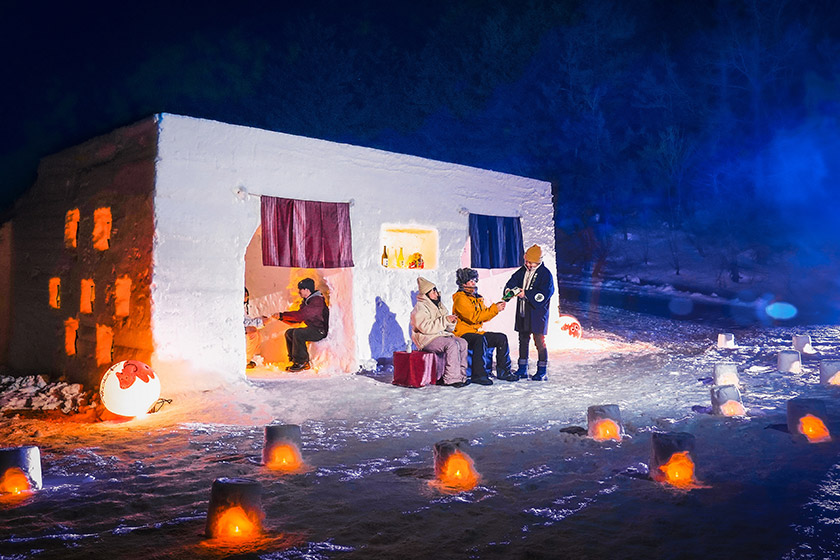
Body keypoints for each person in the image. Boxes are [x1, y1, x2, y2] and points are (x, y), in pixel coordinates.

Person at [451, 268, 518, 384]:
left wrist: (496, 308)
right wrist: (494, 309)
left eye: (474, 281)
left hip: (477, 332)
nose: (474, 283)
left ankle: (504, 371)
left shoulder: (477, 298)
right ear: (463, 283)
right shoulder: (460, 299)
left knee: (501, 338)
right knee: (480, 339)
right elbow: (474, 317)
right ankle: (479, 375)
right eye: (471, 281)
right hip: (463, 333)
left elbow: (483, 315)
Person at [504, 244, 555, 381]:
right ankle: (522, 369)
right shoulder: (522, 271)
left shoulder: (545, 274)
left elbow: (545, 293)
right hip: (523, 311)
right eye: (526, 261)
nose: (528, 264)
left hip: (537, 313)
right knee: (523, 339)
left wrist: (526, 293)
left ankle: (542, 370)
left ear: (538, 261)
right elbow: (512, 282)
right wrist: (509, 292)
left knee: (539, 341)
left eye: (531, 262)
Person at [410, 277, 470, 388]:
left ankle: (461, 376)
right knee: (451, 345)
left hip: (439, 336)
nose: (436, 293)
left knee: (462, 342)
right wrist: (444, 320)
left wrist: (451, 322)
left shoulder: (438, 305)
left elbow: (448, 328)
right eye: (432, 291)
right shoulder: (420, 308)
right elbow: (425, 327)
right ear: (426, 294)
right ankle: (451, 379)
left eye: (435, 290)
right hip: (426, 339)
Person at [273, 278, 329, 372]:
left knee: (298, 333)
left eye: (300, 289)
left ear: (307, 290)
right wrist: (281, 318)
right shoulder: (307, 301)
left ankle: (302, 362)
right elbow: (298, 320)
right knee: (290, 333)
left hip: (320, 330)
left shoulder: (316, 301)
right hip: (313, 328)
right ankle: (294, 360)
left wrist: (283, 315)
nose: (299, 292)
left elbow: (301, 315)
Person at [244, 287, 267, 369]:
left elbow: (247, 320)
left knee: (257, 334)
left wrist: (260, 320)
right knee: (252, 334)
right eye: (244, 295)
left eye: (246, 295)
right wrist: (260, 322)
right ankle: (244, 360)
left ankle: (247, 358)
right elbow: (244, 322)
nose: (245, 298)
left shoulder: (243, 307)